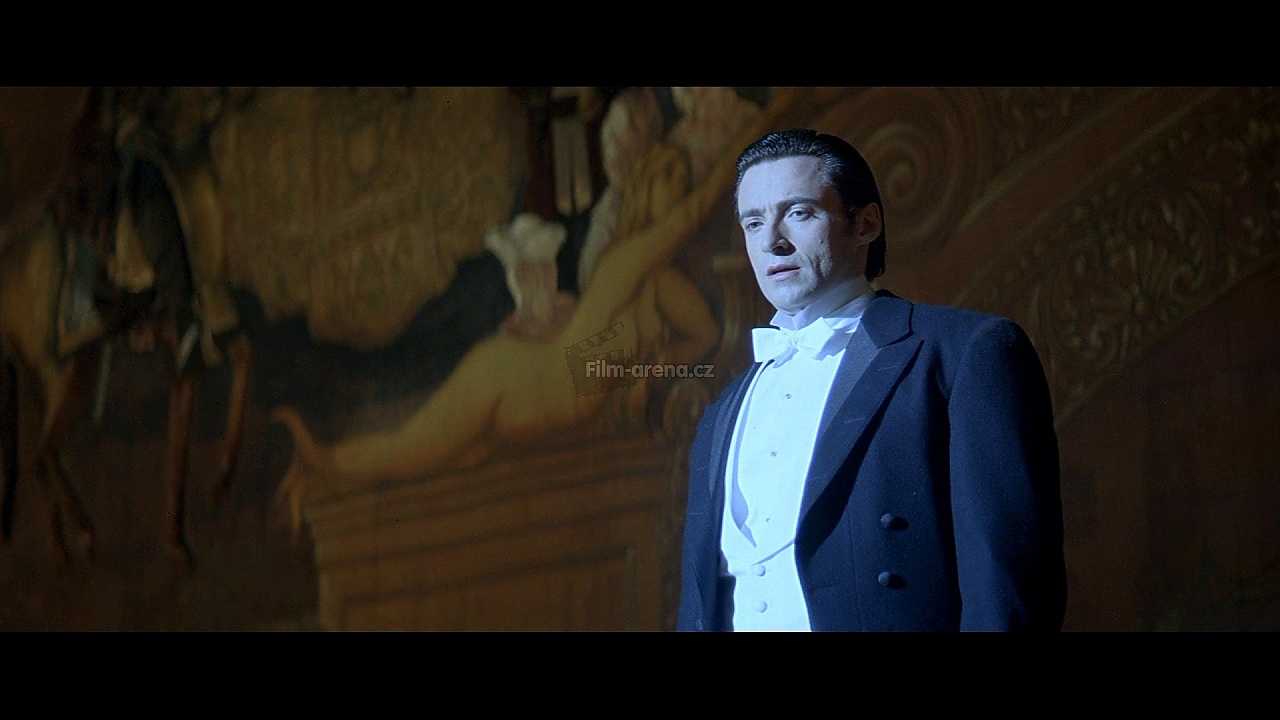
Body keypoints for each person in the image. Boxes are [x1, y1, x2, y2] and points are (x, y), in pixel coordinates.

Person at [676, 128, 1066, 631]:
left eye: (799, 213)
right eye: (753, 222)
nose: (772, 241)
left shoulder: (964, 352)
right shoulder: (723, 410)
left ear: (866, 224)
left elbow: (1008, 589)